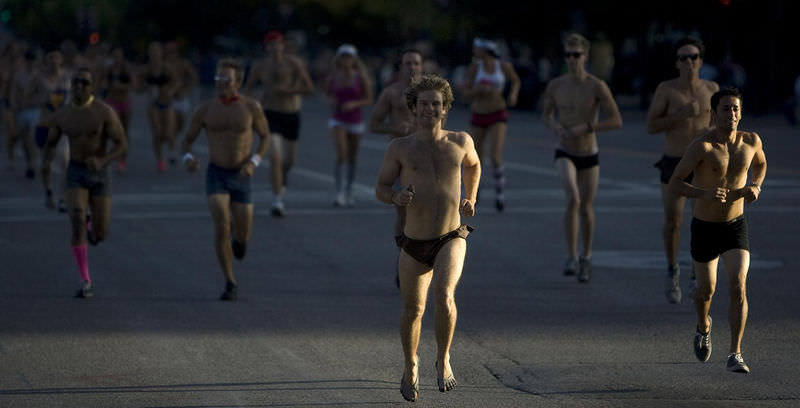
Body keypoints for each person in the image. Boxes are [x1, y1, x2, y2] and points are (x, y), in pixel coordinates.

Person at [375, 75, 480, 402]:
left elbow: (474, 166)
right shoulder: (400, 148)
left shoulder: (460, 141)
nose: (430, 109)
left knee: (444, 294)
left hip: (451, 236)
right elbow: (381, 188)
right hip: (414, 242)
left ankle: (443, 358)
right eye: (424, 104)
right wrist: (395, 197)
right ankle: (411, 364)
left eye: (436, 104)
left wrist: (471, 196)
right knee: (412, 310)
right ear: (414, 108)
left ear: (445, 108)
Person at [668, 87, 766, 374]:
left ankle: (735, 352)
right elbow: (675, 182)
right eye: (725, 109)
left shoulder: (751, 141)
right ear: (713, 114)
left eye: (736, 109)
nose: (731, 114)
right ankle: (704, 326)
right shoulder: (702, 146)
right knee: (705, 291)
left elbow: (761, 163)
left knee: (738, 285)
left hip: (735, 226)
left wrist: (756, 185)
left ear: (741, 113)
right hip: (705, 228)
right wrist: (704, 194)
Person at [182, 58, 270, 301]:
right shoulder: (205, 109)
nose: (220, 83)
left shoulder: (251, 107)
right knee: (221, 223)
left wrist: (254, 162)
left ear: (238, 82)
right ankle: (230, 281)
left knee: (242, 234)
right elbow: (186, 141)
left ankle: (239, 242)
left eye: (226, 79)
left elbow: (265, 137)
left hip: (242, 174)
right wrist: (188, 158)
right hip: (217, 173)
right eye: (217, 78)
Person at [541, 32, 623, 283]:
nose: (572, 59)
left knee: (586, 207)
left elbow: (616, 120)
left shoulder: (596, 86)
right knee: (573, 198)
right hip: (564, 150)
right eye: (568, 55)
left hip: (588, 152)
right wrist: (555, 126)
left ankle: (586, 257)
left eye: (576, 55)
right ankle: (571, 256)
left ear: (586, 56)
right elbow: (546, 115)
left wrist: (587, 127)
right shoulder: (556, 85)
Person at [41, 67, 127, 298]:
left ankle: (93, 228)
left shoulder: (104, 112)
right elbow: (49, 147)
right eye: (76, 82)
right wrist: (46, 178)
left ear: (93, 86)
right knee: (77, 219)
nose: (79, 86)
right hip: (76, 172)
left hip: (100, 173)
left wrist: (103, 160)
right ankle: (85, 280)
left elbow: (122, 144)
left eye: (84, 82)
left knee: (101, 233)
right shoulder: (63, 115)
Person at [646, 37, 719, 304]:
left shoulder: (712, 89)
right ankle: (672, 269)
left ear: (701, 61)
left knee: (702, 222)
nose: (689, 62)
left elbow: (723, 124)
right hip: (674, 162)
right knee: (673, 222)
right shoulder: (666, 90)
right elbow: (651, 126)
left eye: (693, 57)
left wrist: (713, 131)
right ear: (677, 63)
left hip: (702, 163)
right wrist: (681, 114)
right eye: (683, 58)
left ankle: (695, 274)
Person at [244, 31, 313, 216]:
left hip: (291, 113)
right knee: (275, 157)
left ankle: (282, 178)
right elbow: (248, 88)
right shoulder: (260, 66)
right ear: (266, 47)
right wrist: (254, 102)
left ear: (283, 45)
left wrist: (290, 90)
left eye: (277, 44)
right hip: (270, 113)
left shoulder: (294, 63)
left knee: (289, 160)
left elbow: (309, 87)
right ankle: (277, 200)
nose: (275, 48)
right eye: (271, 44)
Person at [369, 48, 424, 286]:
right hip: (401, 159)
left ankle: (423, 259)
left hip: (426, 157)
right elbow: (374, 124)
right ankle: (403, 259)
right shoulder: (391, 93)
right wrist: (394, 129)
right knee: (403, 211)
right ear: (401, 67)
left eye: (416, 63)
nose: (412, 67)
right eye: (408, 63)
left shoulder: (430, 93)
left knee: (426, 210)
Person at [461, 38, 520, 212]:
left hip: (497, 112)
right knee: (476, 157)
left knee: (495, 155)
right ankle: (475, 192)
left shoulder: (503, 66)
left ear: (485, 50)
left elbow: (515, 81)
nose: (475, 51)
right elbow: (465, 92)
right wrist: (477, 91)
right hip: (478, 113)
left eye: (477, 48)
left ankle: (500, 194)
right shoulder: (474, 68)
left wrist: (513, 94)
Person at [324, 44, 373, 206]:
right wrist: (331, 101)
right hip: (338, 119)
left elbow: (369, 98)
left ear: (354, 59)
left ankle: (349, 189)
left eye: (349, 57)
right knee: (341, 154)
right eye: (343, 57)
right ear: (339, 59)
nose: (346, 60)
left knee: (352, 156)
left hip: (355, 120)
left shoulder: (360, 77)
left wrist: (354, 104)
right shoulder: (333, 77)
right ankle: (338, 191)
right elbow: (326, 93)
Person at [35, 50, 72, 212]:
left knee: (65, 161)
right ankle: (48, 191)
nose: (54, 61)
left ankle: (63, 198)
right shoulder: (39, 78)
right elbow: (26, 97)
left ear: (61, 60)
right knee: (46, 165)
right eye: (51, 58)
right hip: (45, 124)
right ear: (46, 61)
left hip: (62, 126)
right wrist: (41, 100)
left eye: (57, 58)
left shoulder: (67, 77)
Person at [139, 41, 177, 173]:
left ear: (161, 53)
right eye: (152, 51)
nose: (154, 54)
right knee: (157, 132)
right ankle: (160, 160)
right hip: (153, 103)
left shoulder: (166, 68)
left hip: (167, 102)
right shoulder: (147, 69)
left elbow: (176, 81)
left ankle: (172, 151)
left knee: (169, 131)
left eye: (157, 51)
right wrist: (145, 87)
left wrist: (170, 90)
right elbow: (138, 84)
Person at [101, 46, 135, 172]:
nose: (117, 58)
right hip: (112, 102)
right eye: (115, 55)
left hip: (125, 102)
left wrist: (121, 86)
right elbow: (101, 83)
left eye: (119, 55)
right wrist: (105, 85)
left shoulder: (126, 69)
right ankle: (117, 157)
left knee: (125, 131)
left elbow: (133, 84)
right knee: (116, 130)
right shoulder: (108, 70)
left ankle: (123, 158)